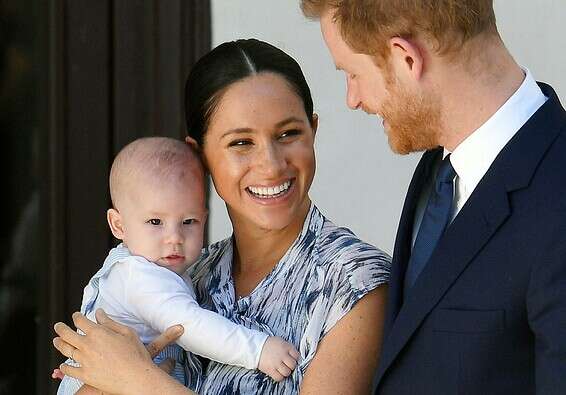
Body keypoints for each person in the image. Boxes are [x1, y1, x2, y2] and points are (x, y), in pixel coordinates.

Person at [53, 39, 391, 394]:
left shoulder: (353, 283)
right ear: (200, 157)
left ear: (313, 132)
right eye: (241, 143)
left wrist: (140, 381)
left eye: (289, 134)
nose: (272, 165)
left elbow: (135, 380)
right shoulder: (187, 273)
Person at [301, 0, 566, 394]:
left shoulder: (556, 198)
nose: (352, 98)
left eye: (352, 73)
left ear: (406, 58)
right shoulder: (439, 167)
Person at [55, 136, 301, 394]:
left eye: (189, 222)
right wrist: (258, 349)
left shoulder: (149, 268)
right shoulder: (141, 277)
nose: (174, 238)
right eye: (155, 222)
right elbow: (190, 326)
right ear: (118, 225)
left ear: (204, 220)